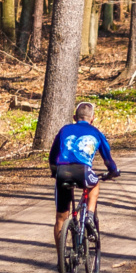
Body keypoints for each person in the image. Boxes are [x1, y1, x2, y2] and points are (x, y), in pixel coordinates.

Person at [49, 101, 120, 246]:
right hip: (83, 171)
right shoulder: (96, 133)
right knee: (94, 184)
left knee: (61, 218)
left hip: (62, 172)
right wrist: (113, 171)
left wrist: (54, 172)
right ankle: (89, 215)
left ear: (75, 117)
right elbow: (108, 160)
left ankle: (61, 257)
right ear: (92, 118)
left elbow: (52, 157)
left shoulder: (64, 130)